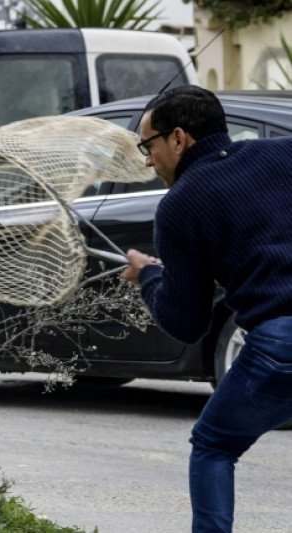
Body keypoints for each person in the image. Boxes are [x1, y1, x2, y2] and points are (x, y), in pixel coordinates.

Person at [120, 85, 292, 532]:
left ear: (179, 139)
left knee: (214, 444)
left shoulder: (180, 205)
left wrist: (150, 276)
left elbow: (187, 322)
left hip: (281, 345)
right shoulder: (283, 153)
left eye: (148, 145)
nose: (147, 159)